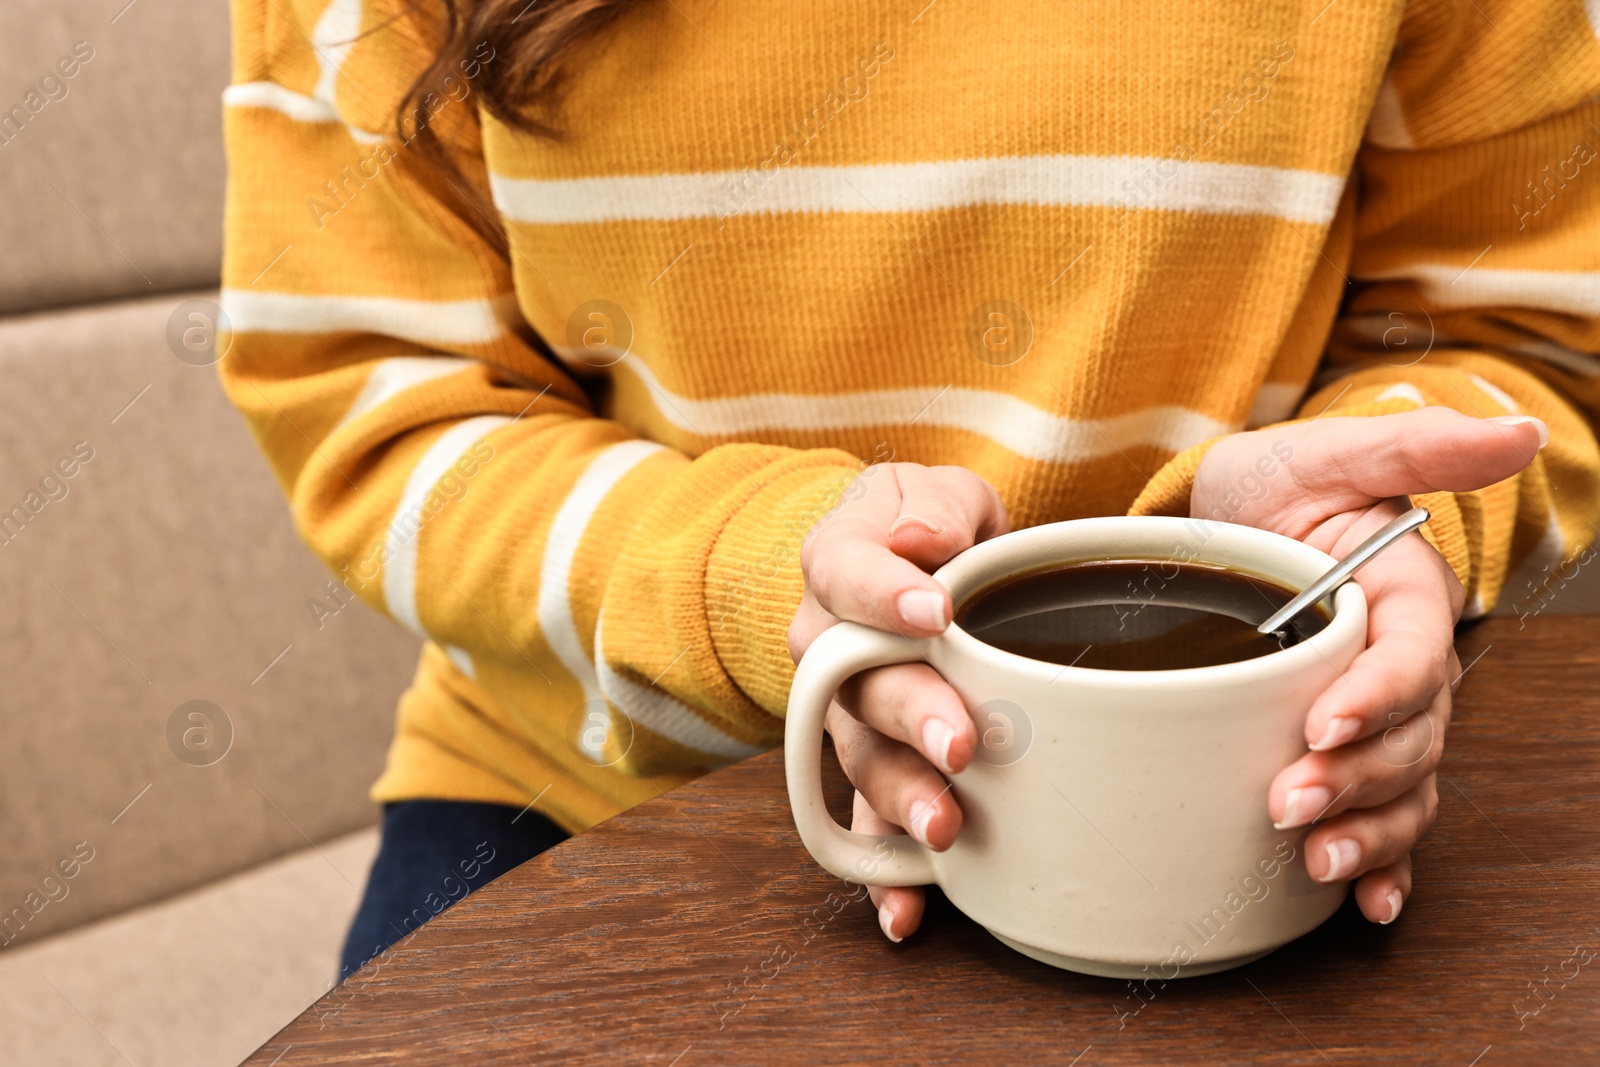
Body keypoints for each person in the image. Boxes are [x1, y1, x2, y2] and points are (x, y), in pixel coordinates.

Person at [217, 0, 1599, 976]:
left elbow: (1524, 322)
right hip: (575, 799)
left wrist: (1379, 516)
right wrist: (749, 585)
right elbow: (384, 408)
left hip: (1250, 792)